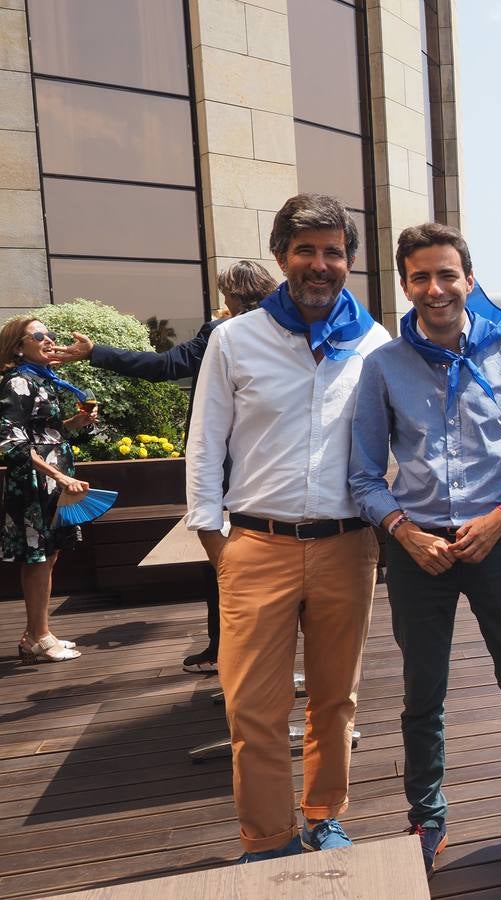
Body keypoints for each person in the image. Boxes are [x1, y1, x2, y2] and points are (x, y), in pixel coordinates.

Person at [348, 222, 501, 880]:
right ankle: (427, 816)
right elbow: (362, 476)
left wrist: (500, 521)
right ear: (405, 284)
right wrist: (405, 533)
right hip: (418, 551)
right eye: (421, 277)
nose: (435, 288)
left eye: (448, 274)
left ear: (470, 280)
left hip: (495, 541)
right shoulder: (382, 366)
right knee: (423, 694)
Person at [186, 192, 390, 863]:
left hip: (346, 545)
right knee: (253, 711)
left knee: (336, 700)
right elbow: (205, 443)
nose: (320, 263)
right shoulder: (234, 339)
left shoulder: (374, 341)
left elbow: (395, 441)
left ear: (349, 262)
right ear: (282, 257)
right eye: (306, 250)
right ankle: (267, 839)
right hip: (256, 544)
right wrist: (217, 542)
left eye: (334, 251)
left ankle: (325, 815)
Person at [52, 260, 278, 674]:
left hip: (228, 469)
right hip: (272, 467)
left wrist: (93, 352)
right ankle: (239, 652)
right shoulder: (287, 328)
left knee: (224, 560)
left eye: (224, 294)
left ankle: (227, 651)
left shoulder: (221, 333)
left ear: (234, 295)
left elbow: (164, 367)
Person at [0, 317, 98, 662]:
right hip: (34, 484)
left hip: (52, 482)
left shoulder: (43, 379)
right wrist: (58, 476)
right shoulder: (17, 383)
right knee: (38, 557)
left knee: (49, 555)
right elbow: (13, 443)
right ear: (17, 347)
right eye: (38, 335)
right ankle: (39, 637)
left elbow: (48, 436)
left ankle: (36, 633)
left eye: (50, 334)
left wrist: (76, 423)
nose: (48, 339)